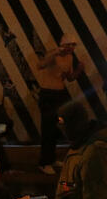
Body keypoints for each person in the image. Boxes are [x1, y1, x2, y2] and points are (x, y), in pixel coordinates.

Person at [36, 35, 84, 174]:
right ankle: (44, 162)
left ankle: (51, 159)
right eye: (69, 45)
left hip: (60, 94)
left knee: (57, 127)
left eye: (74, 45)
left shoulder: (69, 57)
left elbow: (69, 78)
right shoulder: (53, 54)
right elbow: (40, 65)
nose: (71, 48)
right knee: (48, 128)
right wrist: (56, 52)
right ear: (63, 45)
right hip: (47, 94)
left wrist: (79, 70)